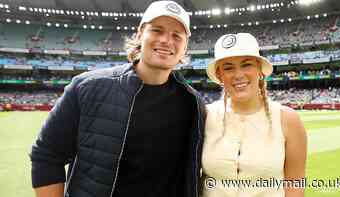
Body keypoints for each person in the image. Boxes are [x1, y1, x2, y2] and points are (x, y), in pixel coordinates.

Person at [30, 1, 206, 197]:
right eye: (157, 30)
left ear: (185, 46)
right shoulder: (87, 87)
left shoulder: (192, 102)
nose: (166, 40)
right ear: (140, 34)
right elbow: (46, 155)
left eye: (176, 35)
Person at [201, 33, 307, 196]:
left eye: (246, 65)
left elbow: (295, 185)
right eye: (228, 67)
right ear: (220, 75)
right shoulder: (205, 116)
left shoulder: (288, 120)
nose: (238, 75)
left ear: (259, 70)